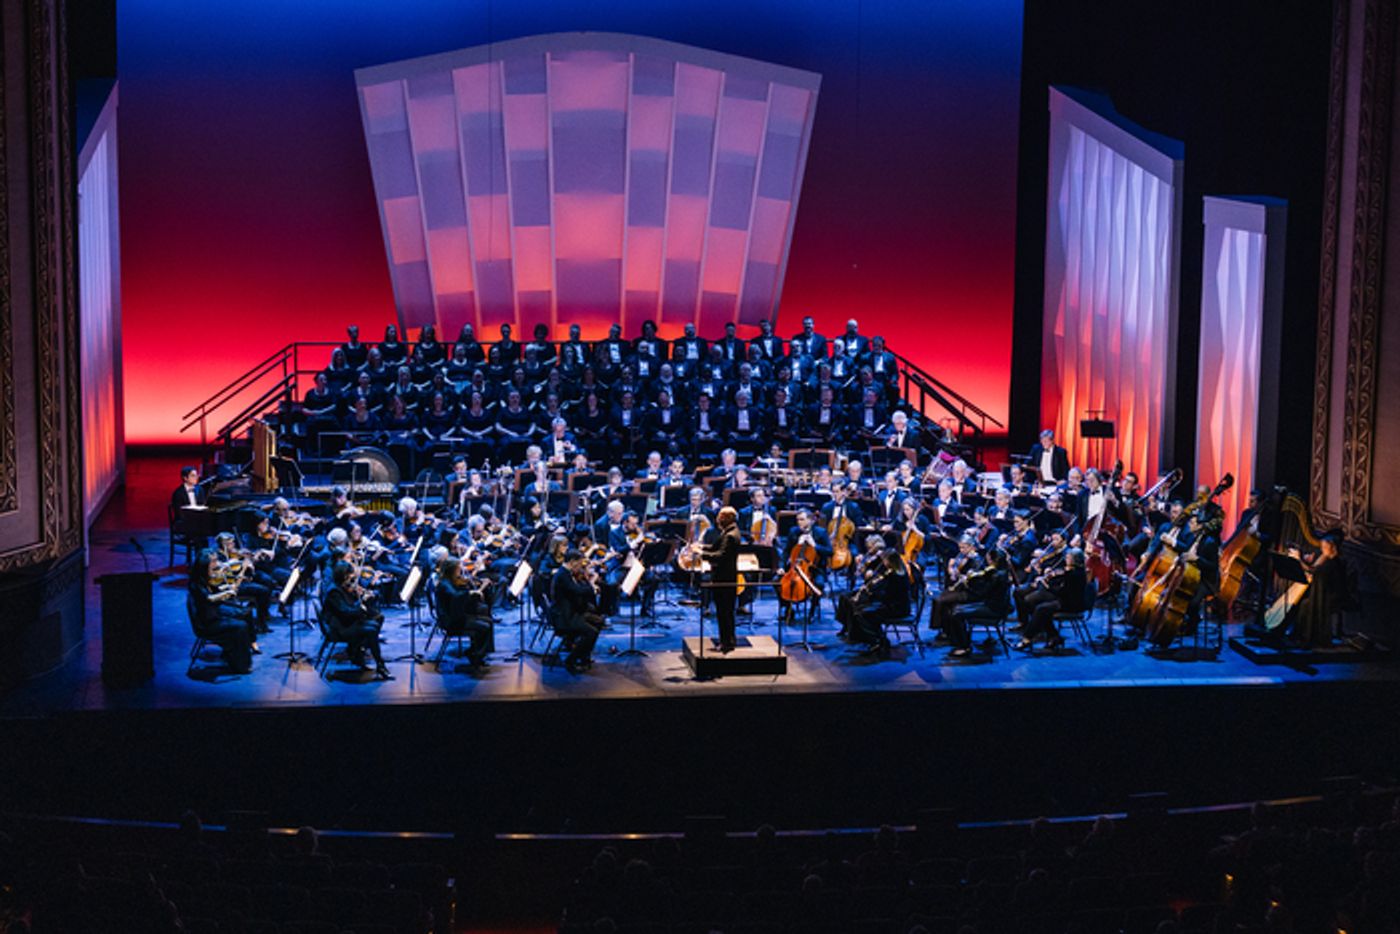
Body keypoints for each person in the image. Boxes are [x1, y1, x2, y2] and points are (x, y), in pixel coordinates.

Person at [188, 548, 257, 674]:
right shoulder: (196, 583)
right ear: (204, 565)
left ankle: (237, 653)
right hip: (206, 623)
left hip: (212, 613)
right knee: (240, 626)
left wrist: (226, 587)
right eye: (213, 561)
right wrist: (227, 592)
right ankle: (240, 665)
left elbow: (214, 590)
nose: (217, 564)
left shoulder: (205, 577)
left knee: (243, 614)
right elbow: (209, 598)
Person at [322, 560, 393, 679]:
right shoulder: (334, 592)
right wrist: (361, 601)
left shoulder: (341, 587)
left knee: (374, 624)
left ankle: (358, 652)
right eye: (350, 576)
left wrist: (360, 597)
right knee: (372, 629)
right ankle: (378, 664)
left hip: (345, 623)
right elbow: (346, 613)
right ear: (343, 575)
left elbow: (349, 608)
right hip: (339, 628)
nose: (352, 580)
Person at [841, 549, 911, 657]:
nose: (883, 563)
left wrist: (871, 594)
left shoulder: (895, 576)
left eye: (885, 560)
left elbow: (887, 595)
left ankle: (877, 641)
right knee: (864, 610)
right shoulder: (897, 571)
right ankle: (874, 639)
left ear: (890, 561)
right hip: (894, 605)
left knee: (862, 614)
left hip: (897, 609)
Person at [1015, 547, 1088, 651]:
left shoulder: (1075, 574)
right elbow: (1062, 585)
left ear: (1075, 560)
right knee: (1040, 608)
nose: (1066, 558)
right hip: (1065, 599)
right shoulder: (1073, 571)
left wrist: (1048, 586)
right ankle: (1053, 636)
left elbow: (1063, 592)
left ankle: (1027, 638)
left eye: (1068, 557)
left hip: (1071, 604)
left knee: (1041, 609)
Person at [1289, 531, 1348, 647]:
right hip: (1322, 593)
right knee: (1303, 602)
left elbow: (1314, 572)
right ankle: (1299, 636)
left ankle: (1307, 637)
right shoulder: (1325, 557)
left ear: (1332, 547)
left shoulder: (1334, 563)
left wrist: (1298, 559)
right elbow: (1314, 570)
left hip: (1330, 596)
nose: (1322, 548)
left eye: (1324, 546)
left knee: (1305, 604)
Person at [696, 506, 742, 652]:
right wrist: (702, 548)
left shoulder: (730, 535)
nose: (717, 520)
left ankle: (726, 643)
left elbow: (721, 556)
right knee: (726, 612)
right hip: (725, 577)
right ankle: (729, 640)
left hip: (725, 578)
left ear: (726, 519)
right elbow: (716, 548)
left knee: (724, 612)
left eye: (720, 517)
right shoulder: (729, 532)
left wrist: (701, 554)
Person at [433, 557, 493, 669]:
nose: (460, 570)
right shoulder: (445, 584)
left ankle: (475, 651)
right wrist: (470, 593)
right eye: (458, 568)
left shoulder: (448, 581)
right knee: (485, 626)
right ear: (452, 570)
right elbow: (455, 596)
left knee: (488, 621)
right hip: (451, 621)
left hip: (455, 615)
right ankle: (476, 656)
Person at [551, 550, 602, 673]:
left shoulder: (566, 573)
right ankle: (571, 660)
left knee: (599, 621)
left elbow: (576, 591)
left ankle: (584, 656)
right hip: (564, 617)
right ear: (573, 562)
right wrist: (591, 585)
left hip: (570, 611)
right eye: (579, 563)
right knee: (591, 632)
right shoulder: (563, 575)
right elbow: (577, 591)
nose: (581, 566)